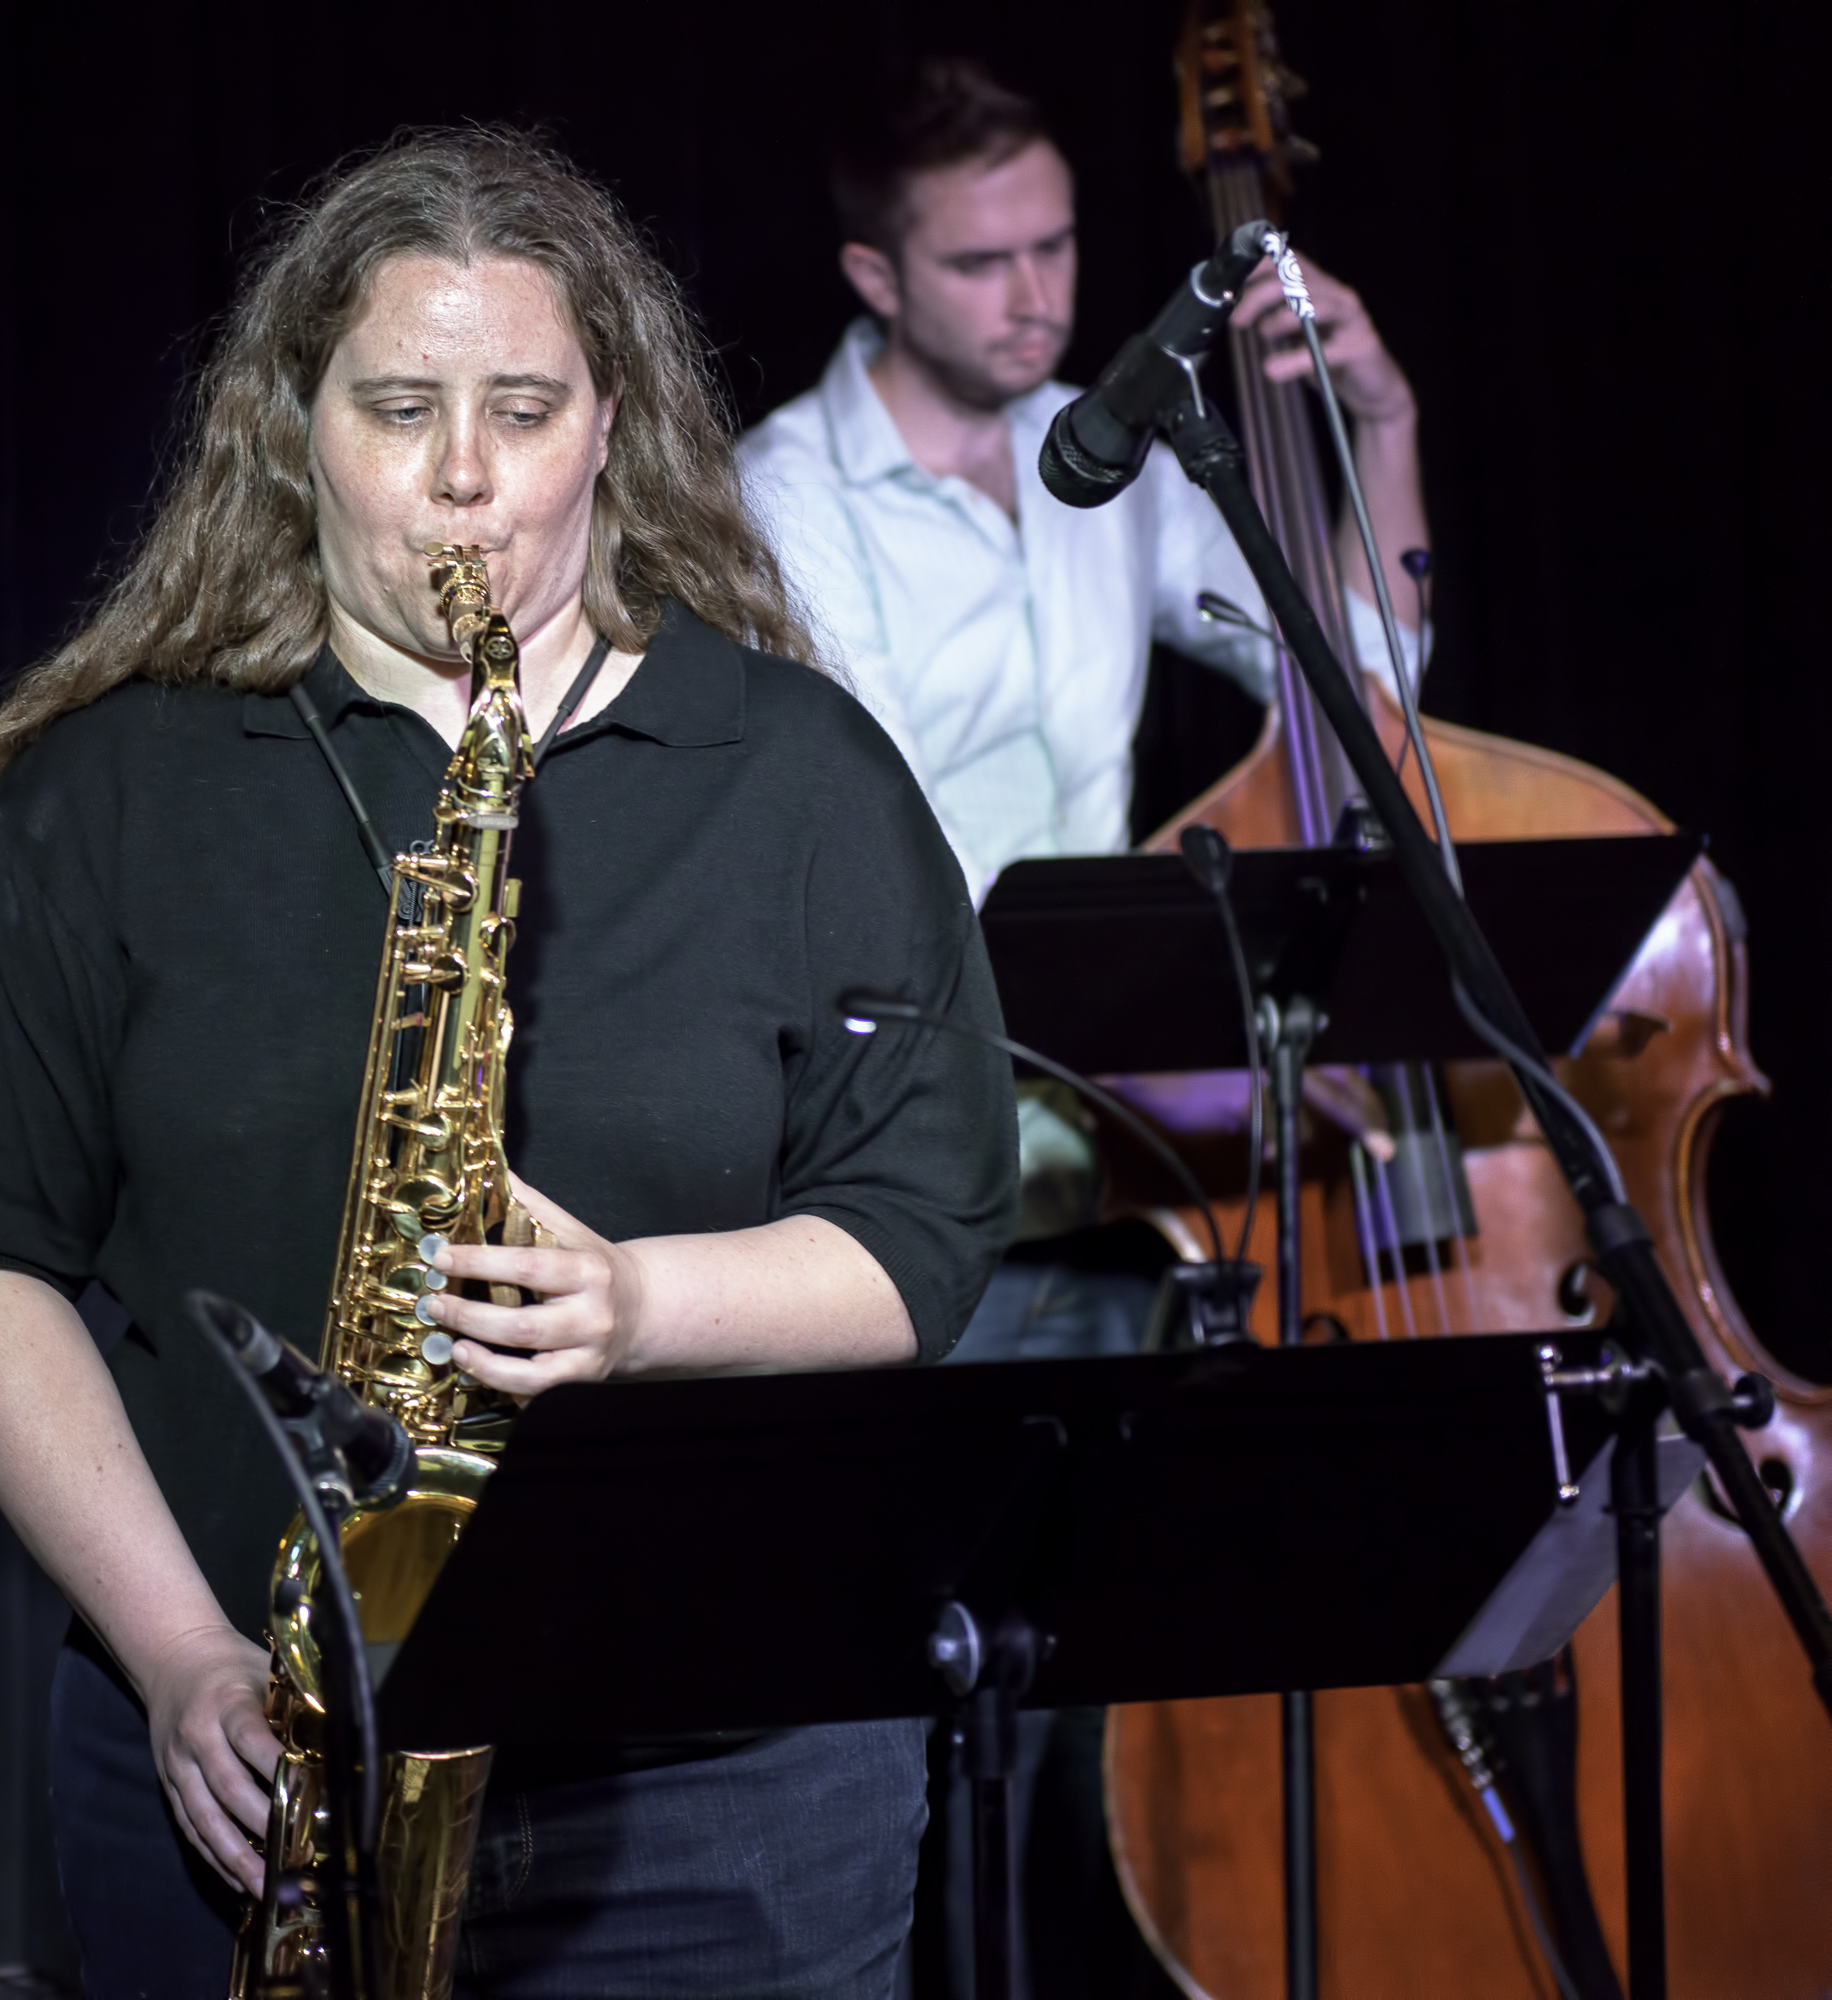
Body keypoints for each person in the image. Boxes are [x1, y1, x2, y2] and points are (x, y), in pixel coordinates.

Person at [0, 127, 1017, 2000]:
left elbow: (929, 1223)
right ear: (293, 428)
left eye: (525, 407)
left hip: (718, 1796)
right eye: (400, 408)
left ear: (613, 429)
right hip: (254, 1772)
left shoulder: (799, 773)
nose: (467, 484)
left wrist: (635, 1306)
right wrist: (179, 1657)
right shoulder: (125, 785)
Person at [736, 58, 1432, 1999]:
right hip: (919, 1183)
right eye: (982, 262)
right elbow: (836, 875)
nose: (1037, 295)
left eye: (1053, 244)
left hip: (1124, 1185)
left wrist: (1373, 423)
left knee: (1095, 1726)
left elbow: (1362, 685)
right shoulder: (782, 503)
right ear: (876, 272)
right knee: (911, 1716)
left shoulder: (1109, 452)